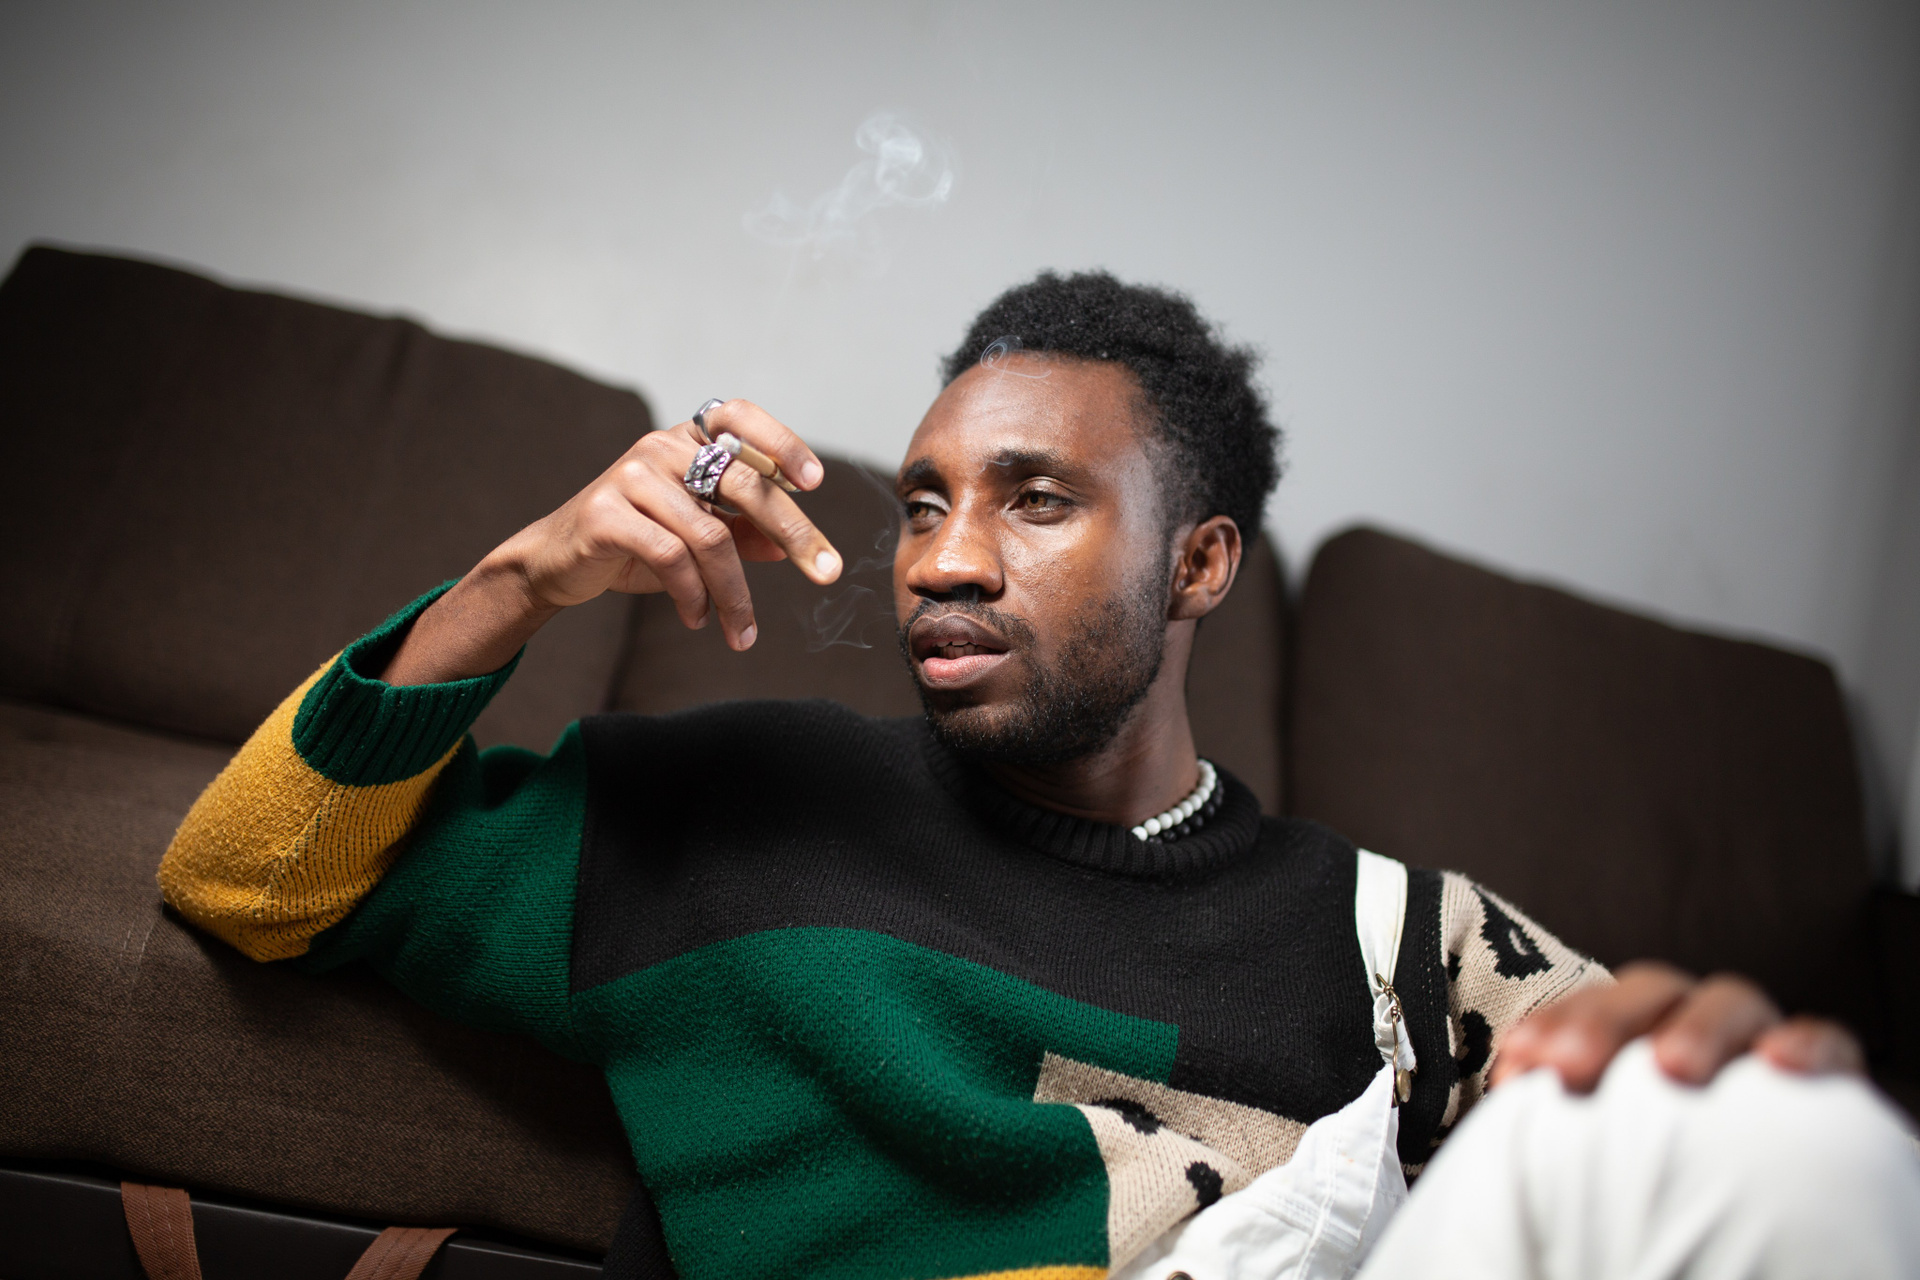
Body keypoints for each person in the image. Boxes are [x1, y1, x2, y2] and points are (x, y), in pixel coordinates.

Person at [160, 272, 1917, 1279]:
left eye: (1037, 499)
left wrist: (1720, 1075)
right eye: (925, 500)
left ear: (1200, 565)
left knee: (1760, 1135)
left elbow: (1695, 1147)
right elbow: (248, 877)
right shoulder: (732, 813)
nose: (941, 558)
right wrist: (522, 578)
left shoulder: (1400, 936)